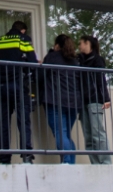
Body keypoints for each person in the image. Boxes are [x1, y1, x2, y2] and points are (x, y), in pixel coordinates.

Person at [0, 20, 38, 165]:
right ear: (23, 30)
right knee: (23, 121)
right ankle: (26, 156)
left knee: (3, 124)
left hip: (1, 87)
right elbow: (32, 63)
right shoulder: (23, 41)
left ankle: (4, 158)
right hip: (19, 86)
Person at [40, 34, 81, 164]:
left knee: (60, 133)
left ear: (57, 45)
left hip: (55, 100)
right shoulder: (75, 60)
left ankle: (67, 163)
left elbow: (40, 76)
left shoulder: (52, 57)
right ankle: (71, 164)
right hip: (74, 102)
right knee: (66, 134)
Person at [78, 36, 112, 165]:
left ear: (87, 44)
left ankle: (105, 163)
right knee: (88, 137)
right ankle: (95, 164)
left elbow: (100, 80)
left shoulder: (97, 60)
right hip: (83, 102)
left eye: (81, 43)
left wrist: (106, 98)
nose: (79, 46)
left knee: (97, 134)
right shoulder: (80, 60)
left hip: (94, 100)